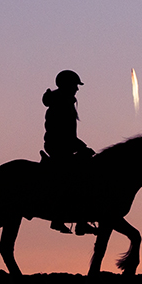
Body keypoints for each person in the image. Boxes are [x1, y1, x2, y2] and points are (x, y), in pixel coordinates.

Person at [40, 70, 95, 234]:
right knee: (78, 176)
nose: (77, 89)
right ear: (67, 85)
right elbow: (63, 132)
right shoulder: (61, 103)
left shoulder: (64, 101)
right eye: (75, 85)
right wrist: (81, 147)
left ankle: (80, 220)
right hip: (59, 146)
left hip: (63, 144)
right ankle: (62, 219)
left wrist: (79, 146)